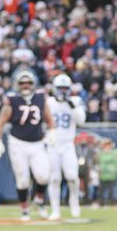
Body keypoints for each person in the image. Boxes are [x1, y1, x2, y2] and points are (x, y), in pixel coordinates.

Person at [0, 69, 56, 221]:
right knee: (23, 179)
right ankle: (25, 208)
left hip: (38, 143)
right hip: (18, 143)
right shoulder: (12, 100)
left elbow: (49, 118)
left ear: (33, 84)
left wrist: (52, 131)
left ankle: (39, 199)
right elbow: (0, 122)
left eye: (28, 83)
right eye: (22, 83)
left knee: (43, 176)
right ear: (17, 84)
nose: (25, 86)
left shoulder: (40, 98)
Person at [45, 74, 87, 220]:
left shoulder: (75, 101)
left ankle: (74, 201)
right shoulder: (49, 102)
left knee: (72, 176)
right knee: (54, 178)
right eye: (60, 88)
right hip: (52, 144)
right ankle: (55, 209)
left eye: (65, 88)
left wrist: (71, 105)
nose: (63, 91)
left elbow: (81, 120)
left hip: (68, 144)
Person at [95, 139, 117, 207]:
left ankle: (112, 203)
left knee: (111, 190)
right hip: (103, 174)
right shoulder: (100, 152)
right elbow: (96, 160)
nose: (107, 146)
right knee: (101, 190)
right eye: (106, 144)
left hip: (112, 174)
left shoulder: (115, 152)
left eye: (108, 144)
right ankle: (100, 203)